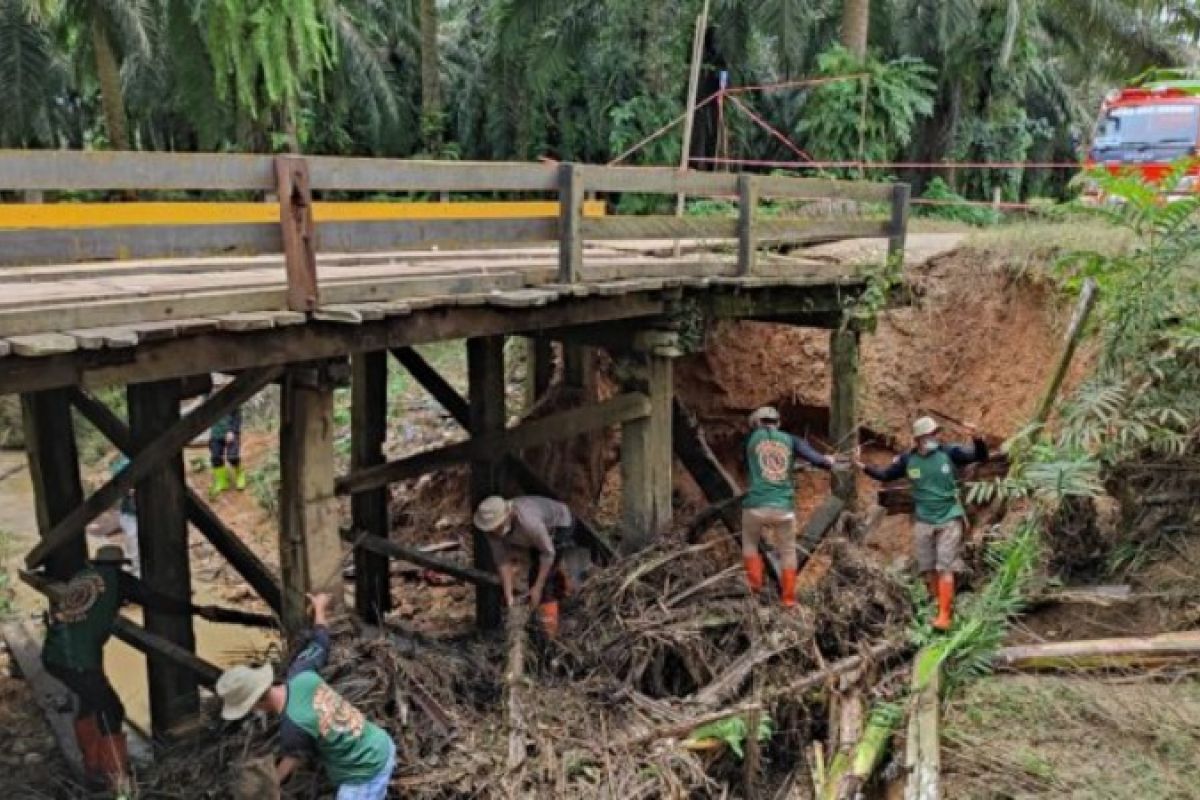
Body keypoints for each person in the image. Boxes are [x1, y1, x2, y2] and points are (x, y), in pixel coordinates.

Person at [216, 593, 396, 800]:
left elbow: (294, 758)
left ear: (256, 704)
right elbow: (321, 641)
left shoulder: (293, 726)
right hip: (378, 741)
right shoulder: (300, 672)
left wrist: (268, 784)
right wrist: (319, 607)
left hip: (367, 769)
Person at [39, 545, 189, 790]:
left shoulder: (81, 577)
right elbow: (155, 600)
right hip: (77, 661)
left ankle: (93, 768)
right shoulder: (119, 580)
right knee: (112, 709)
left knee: (89, 702)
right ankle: (118, 783)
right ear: (119, 566)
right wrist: (192, 609)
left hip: (53, 655)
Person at [856, 416, 989, 631]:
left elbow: (980, 456)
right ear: (919, 439)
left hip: (949, 516)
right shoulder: (908, 460)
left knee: (944, 566)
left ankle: (945, 615)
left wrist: (978, 439)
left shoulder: (949, 453)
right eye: (930, 435)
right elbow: (886, 475)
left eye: (936, 433)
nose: (935, 437)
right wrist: (862, 466)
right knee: (927, 568)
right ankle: (937, 606)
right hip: (923, 519)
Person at [741, 406, 837, 607]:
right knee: (788, 551)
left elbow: (751, 463)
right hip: (783, 507)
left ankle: (754, 588)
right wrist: (828, 460)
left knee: (750, 543)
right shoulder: (792, 440)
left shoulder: (750, 440)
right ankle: (788, 599)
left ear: (757, 423)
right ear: (777, 423)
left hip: (756, 506)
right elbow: (820, 461)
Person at [473, 495, 578, 637]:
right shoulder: (490, 532)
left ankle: (550, 634)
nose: (494, 531)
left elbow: (548, 553)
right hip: (534, 536)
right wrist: (508, 595)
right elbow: (502, 561)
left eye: (497, 526)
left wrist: (537, 588)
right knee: (537, 574)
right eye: (492, 528)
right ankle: (558, 600)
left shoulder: (529, 521)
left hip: (560, 523)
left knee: (542, 580)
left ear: (508, 515)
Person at [109, 455, 140, 578]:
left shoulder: (126, 462)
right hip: (130, 515)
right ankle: (135, 575)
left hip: (133, 514)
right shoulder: (123, 463)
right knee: (135, 545)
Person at [209, 400, 245, 498]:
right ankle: (222, 481)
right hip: (216, 433)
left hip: (231, 433)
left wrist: (232, 431)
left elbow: (237, 416)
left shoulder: (233, 397)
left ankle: (240, 475)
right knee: (215, 457)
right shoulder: (209, 397)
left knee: (232, 457)